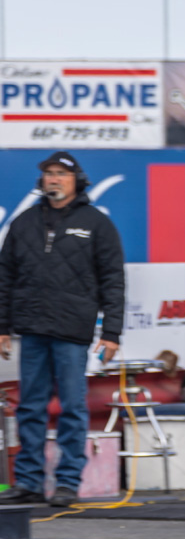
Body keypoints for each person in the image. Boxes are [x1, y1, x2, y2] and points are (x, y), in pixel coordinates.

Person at [0, 152, 125, 507]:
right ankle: (29, 481)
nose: (53, 179)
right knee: (30, 408)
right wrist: (2, 327)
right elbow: (4, 277)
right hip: (32, 329)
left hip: (73, 332)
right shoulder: (24, 222)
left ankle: (68, 481)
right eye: (49, 174)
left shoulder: (97, 223)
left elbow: (113, 280)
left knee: (72, 407)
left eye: (61, 174)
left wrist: (112, 333)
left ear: (76, 180)